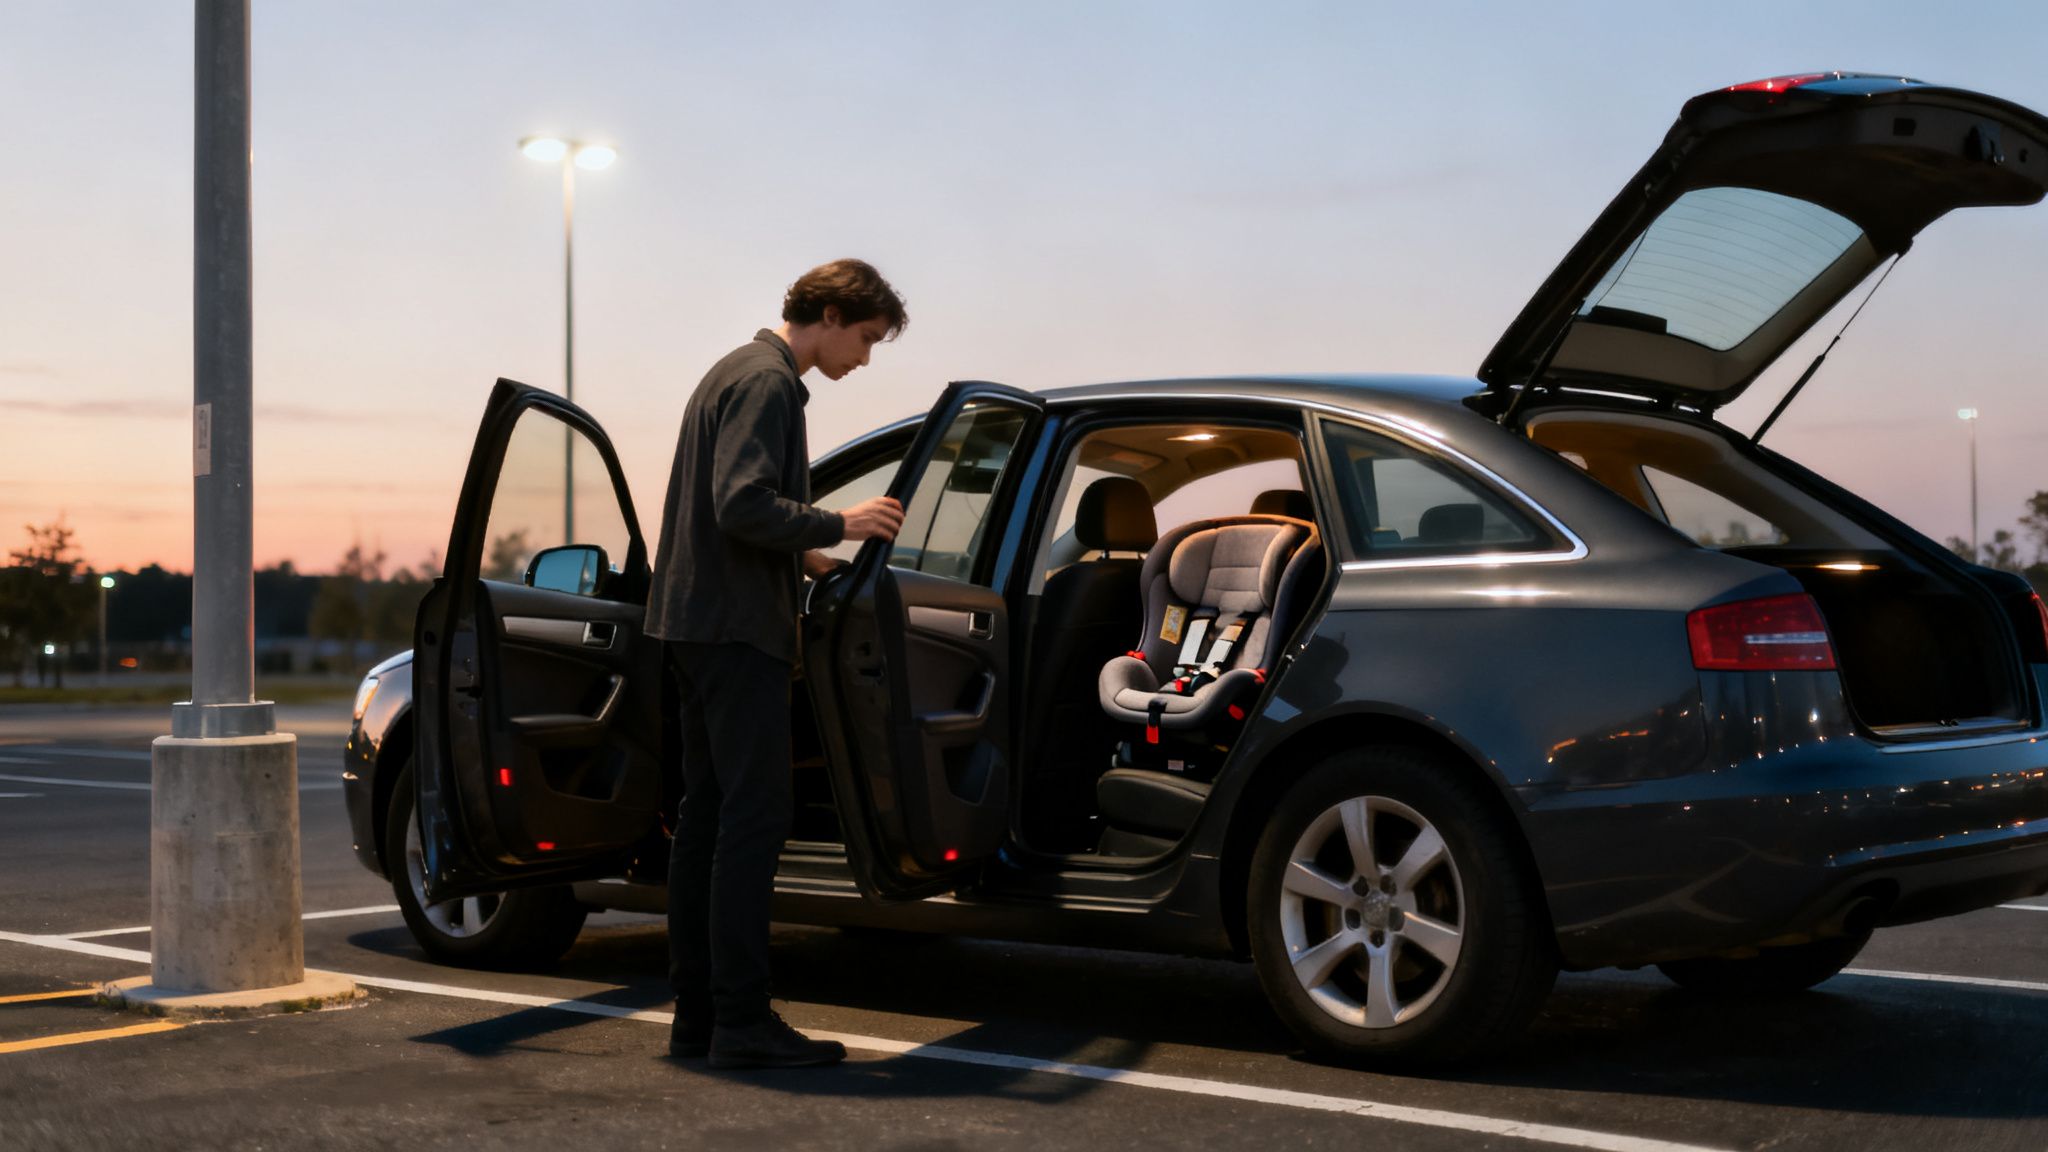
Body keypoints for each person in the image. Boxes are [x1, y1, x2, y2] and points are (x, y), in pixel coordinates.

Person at [646, 259, 908, 1069]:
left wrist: (806, 560)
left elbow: (728, 519)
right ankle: (743, 1022)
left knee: (707, 821)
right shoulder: (767, 382)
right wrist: (841, 522)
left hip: (691, 625)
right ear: (828, 314)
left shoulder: (733, 371)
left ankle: (700, 1019)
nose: (864, 358)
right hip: (735, 633)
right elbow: (741, 502)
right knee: (753, 823)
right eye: (864, 338)